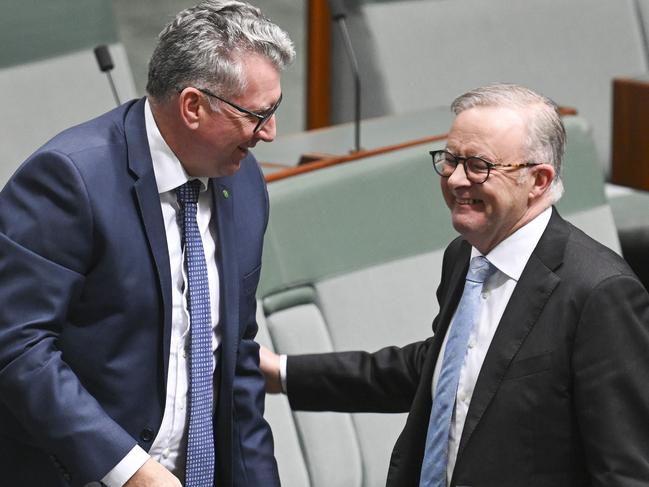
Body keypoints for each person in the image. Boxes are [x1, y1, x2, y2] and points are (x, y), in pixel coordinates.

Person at [260, 84, 649, 486]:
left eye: (478, 165)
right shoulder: (464, 257)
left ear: (538, 180)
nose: (457, 180)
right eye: (450, 160)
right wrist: (283, 373)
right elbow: (436, 371)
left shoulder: (600, 292)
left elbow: (625, 471)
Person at [0, 1, 294, 486]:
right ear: (193, 106)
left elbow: (234, 354)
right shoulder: (70, 179)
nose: (271, 133)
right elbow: (17, 345)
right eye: (257, 116)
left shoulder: (243, 183)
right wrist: (129, 469)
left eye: (274, 110)